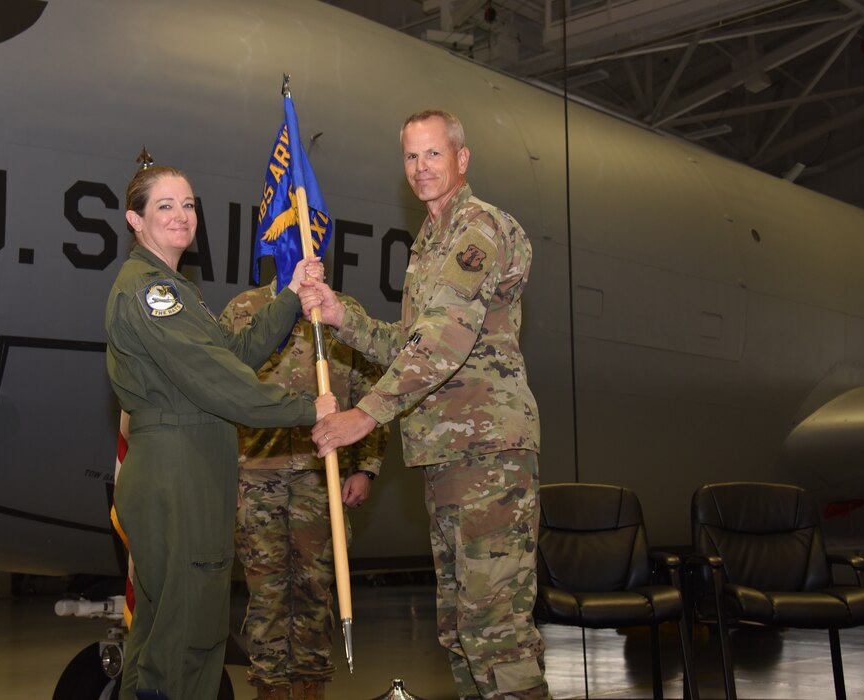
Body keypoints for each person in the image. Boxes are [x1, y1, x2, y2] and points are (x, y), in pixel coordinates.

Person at [307, 110, 550, 699]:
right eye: (411, 157)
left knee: (497, 636)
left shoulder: (477, 228)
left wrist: (362, 415)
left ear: (461, 159)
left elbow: (446, 341)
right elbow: (411, 342)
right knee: (462, 632)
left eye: (433, 154)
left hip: (487, 456)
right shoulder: (430, 243)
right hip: (448, 457)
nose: (421, 168)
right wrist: (344, 317)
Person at [104, 161, 336, 700]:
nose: (182, 217)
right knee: (189, 634)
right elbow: (221, 383)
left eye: (188, 205)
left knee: (160, 632)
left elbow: (231, 356)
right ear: (135, 220)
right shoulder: (152, 294)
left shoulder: (173, 288)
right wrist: (312, 409)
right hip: (177, 469)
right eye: (165, 206)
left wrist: (288, 295)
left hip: (187, 466)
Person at [220, 282, 388, 700]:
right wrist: (224, 476)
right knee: (267, 594)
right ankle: (270, 691)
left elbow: (370, 393)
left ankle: (310, 689)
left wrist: (365, 468)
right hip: (256, 474)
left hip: (321, 473)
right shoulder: (244, 309)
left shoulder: (341, 311)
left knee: (315, 590)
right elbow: (217, 391)